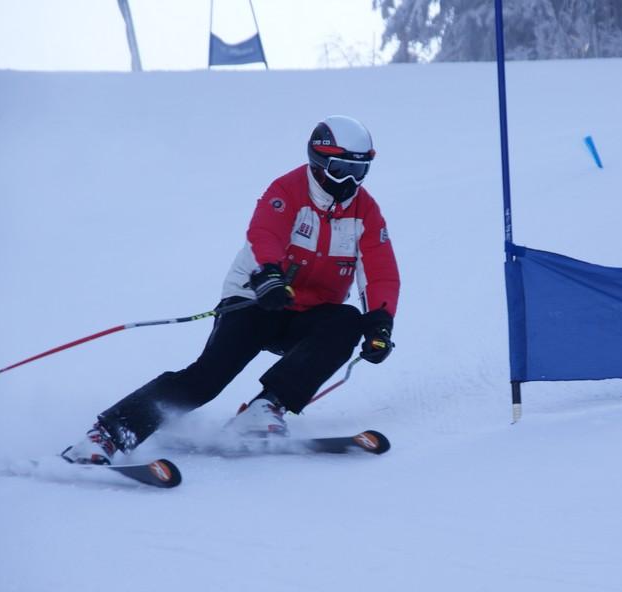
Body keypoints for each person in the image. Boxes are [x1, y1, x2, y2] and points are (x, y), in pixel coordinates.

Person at [62, 115, 399, 464]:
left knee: (347, 321)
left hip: (310, 316)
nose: (348, 181)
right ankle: (106, 436)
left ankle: (266, 409)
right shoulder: (287, 191)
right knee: (207, 379)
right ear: (318, 160)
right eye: (340, 168)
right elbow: (264, 234)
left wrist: (380, 324)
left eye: (358, 171)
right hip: (257, 301)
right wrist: (268, 275)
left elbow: (380, 271)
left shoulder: (366, 212)